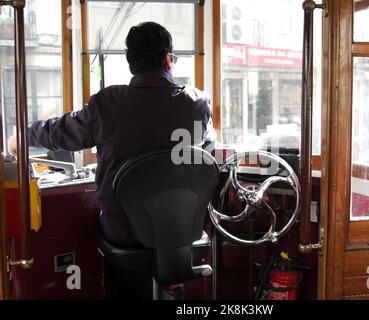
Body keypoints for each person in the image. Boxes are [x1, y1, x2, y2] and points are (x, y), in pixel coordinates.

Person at [8, 21, 215, 299]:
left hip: (124, 234)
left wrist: (22, 136)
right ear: (168, 58)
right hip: (181, 227)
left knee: (104, 218)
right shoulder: (198, 103)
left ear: (131, 63)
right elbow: (207, 157)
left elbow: (60, 132)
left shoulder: (108, 103)